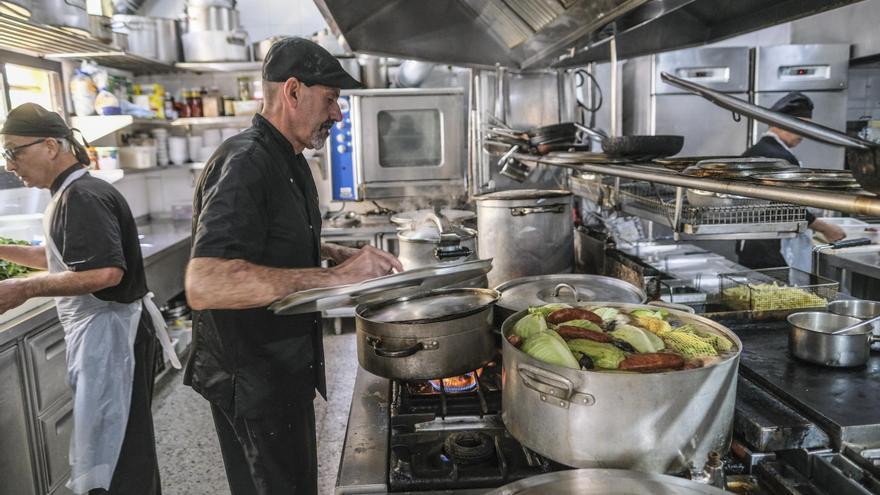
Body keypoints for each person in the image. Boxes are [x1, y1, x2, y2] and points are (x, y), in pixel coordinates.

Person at [184, 37, 402, 495]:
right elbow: (206, 282)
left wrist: (331, 253)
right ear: (293, 91)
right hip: (251, 377)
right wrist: (336, 278)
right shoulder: (245, 163)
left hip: (283, 368)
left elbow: (269, 239)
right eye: (331, 100)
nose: (338, 115)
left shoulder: (291, 158)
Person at [0, 103, 177, 495]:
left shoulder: (81, 196)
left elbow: (105, 273)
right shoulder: (70, 192)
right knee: (117, 445)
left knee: (120, 452)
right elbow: (56, 257)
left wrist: (24, 288)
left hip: (114, 337)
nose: (10, 165)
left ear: (50, 146)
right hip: (107, 335)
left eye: (14, 151)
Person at [736, 92, 846, 270]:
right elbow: (788, 208)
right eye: (800, 126)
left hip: (750, 245)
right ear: (781, 123)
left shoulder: (756, 150)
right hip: (771, 249)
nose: (804, 134)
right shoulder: (780, 158)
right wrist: (825, 228)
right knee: (777, 295)